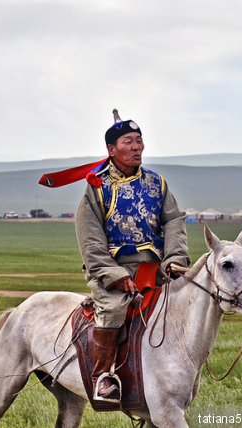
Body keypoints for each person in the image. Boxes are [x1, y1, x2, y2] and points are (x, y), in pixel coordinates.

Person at [75, 109, 190, 402]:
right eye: (128, 141)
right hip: (114, 270)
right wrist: (113, 275)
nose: (136, 146)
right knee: (113, 309)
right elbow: (90, 240)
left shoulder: (157, 184)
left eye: (139, 140)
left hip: (155, 269)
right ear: (111, 150)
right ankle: (104, 375)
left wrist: (175, 258)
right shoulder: (97, 188)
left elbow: (174, 220)